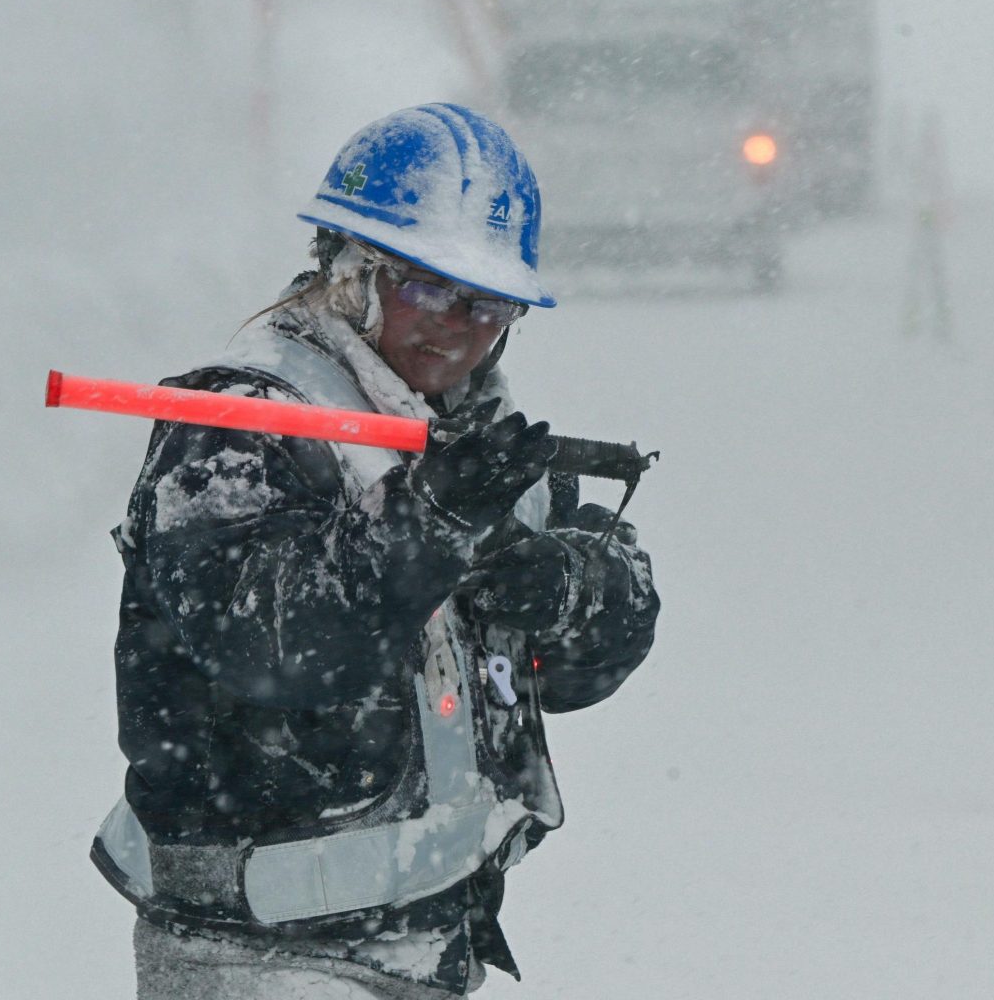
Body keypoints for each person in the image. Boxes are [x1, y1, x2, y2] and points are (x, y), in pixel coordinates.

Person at [91, 103, 660, 997]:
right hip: (252, 955)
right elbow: (273, 647)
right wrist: (422, 526)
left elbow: (594, 651)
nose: (457, 325)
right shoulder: (237, 430)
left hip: (421, 950)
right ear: (351, 273)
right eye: (425, 288)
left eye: (487, 301)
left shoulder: (476, 442)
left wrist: (567, 588)